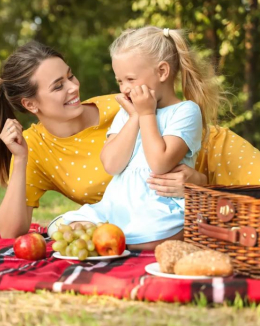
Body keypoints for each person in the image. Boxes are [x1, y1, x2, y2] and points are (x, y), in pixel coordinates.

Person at [0, 39, 260, 246]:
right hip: (151, 213)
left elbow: (174, 140)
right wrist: (21, 160)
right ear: (30, 103)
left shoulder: (123, 105)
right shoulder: (35, 147)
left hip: (220, 160)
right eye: (58, 86)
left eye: (70, 76)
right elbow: (11, 232)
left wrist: (198, 181)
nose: (74, 87)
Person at [56, 26, 228, 250]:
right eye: (119, 81)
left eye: (130, 79)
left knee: (151, 233)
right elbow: (111, 164)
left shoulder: (186, 111)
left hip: (159, 206)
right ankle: (114, 239)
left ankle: (117, 241)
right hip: (118, 204)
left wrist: (146, 114)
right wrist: (135, 116)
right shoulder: (127, 114)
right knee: (68, 225)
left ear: (162, 72)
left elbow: (160, 163)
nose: (125, 88)